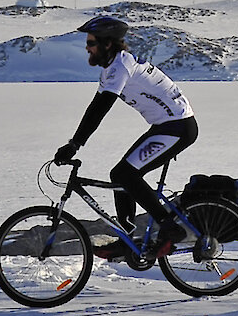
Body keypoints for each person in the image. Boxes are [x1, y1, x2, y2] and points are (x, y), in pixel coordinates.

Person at [55, 16, 198, 256]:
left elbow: (102, 108)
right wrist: (75, 142)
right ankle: (128, 239)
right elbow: (95, 106)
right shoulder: (113, 68)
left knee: (124, 174)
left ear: (107, 44)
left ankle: (169, 228)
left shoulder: (121, 66)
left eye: (91, 42)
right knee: (120, 176)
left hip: (178, 127)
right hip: (167, 125)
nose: (87, 47)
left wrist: (75, 144)